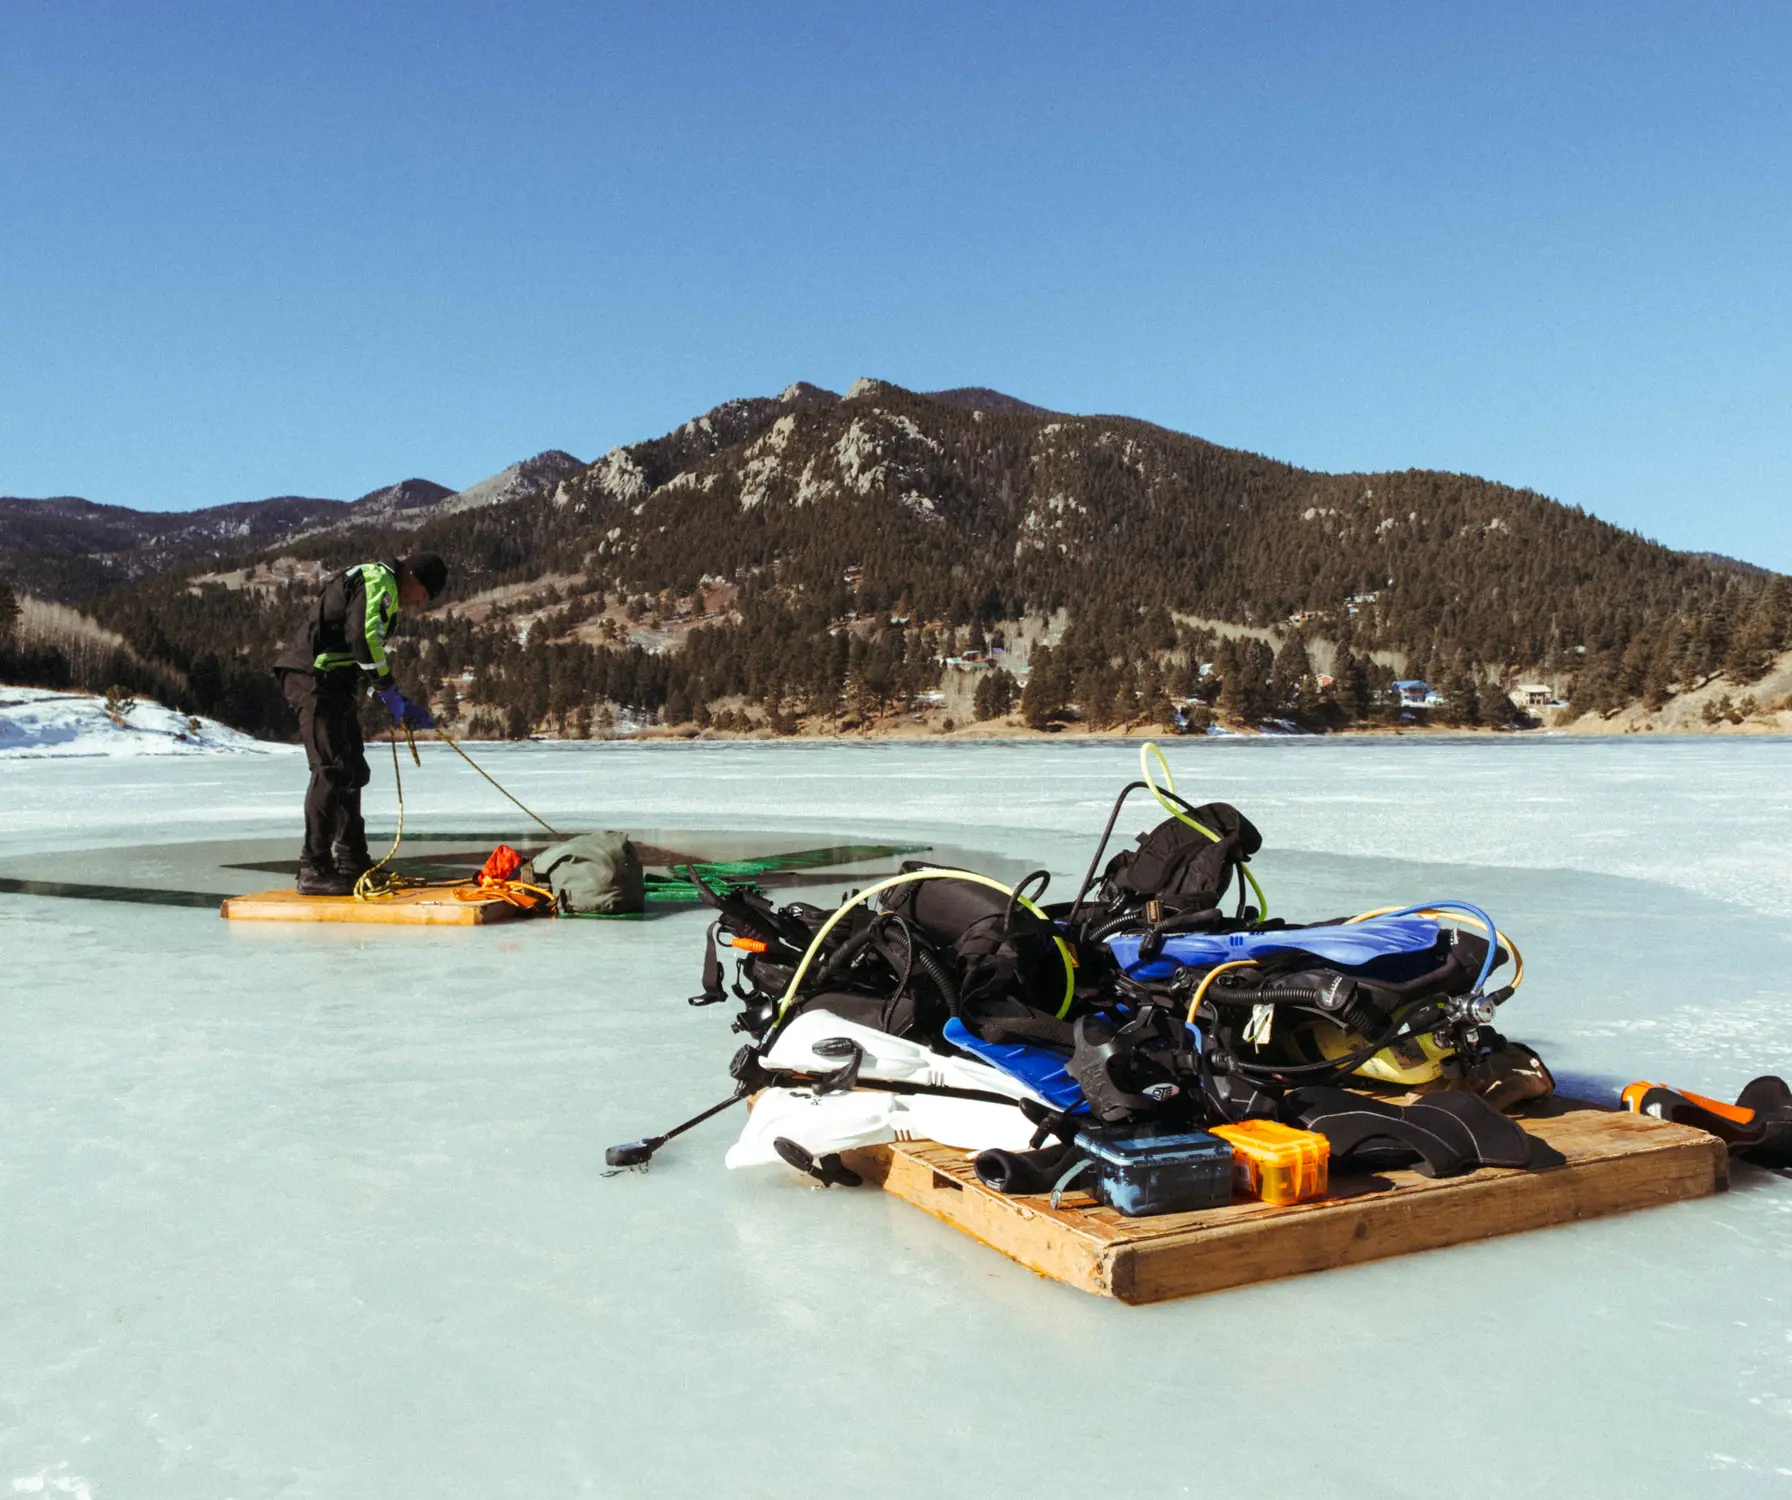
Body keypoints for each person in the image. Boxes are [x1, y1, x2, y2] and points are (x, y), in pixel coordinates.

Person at [273, 554, 447, 895]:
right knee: (331, 769)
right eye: (425, 593)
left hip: (334, 683)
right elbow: (363, 640)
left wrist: (393, 698)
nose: (420, 602)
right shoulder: (379, 581)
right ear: (414, 576)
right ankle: (314, 867)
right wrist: (390, 693)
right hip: (312, 678)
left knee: (352, 770)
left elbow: (361, 650)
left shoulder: (384, 589)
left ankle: (351, 860)